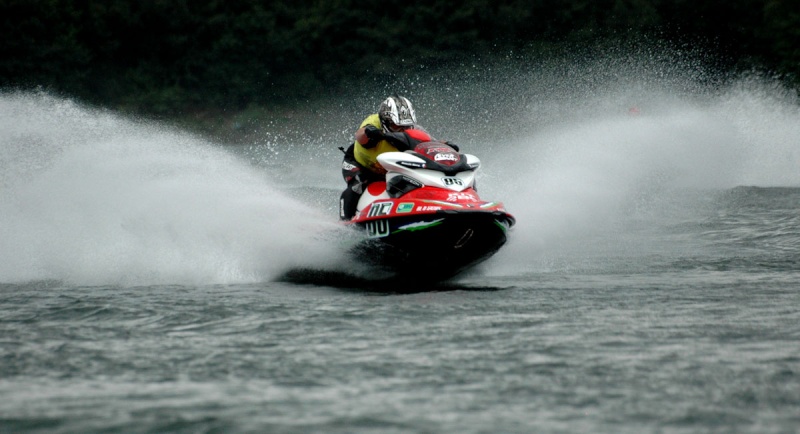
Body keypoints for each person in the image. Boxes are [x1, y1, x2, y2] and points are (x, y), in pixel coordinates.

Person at [339, 94, 451, 220]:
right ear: (385, 122)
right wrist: (369, 132)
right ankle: (345, 221)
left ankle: (421, 207)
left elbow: (429, 144)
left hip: (387, 169)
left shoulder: (415, 130)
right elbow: (359, 135)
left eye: (406, 127)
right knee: (357, 185)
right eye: (396, 126)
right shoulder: (373, 122)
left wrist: (445, 146)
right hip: (359, 164)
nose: (402, 131)